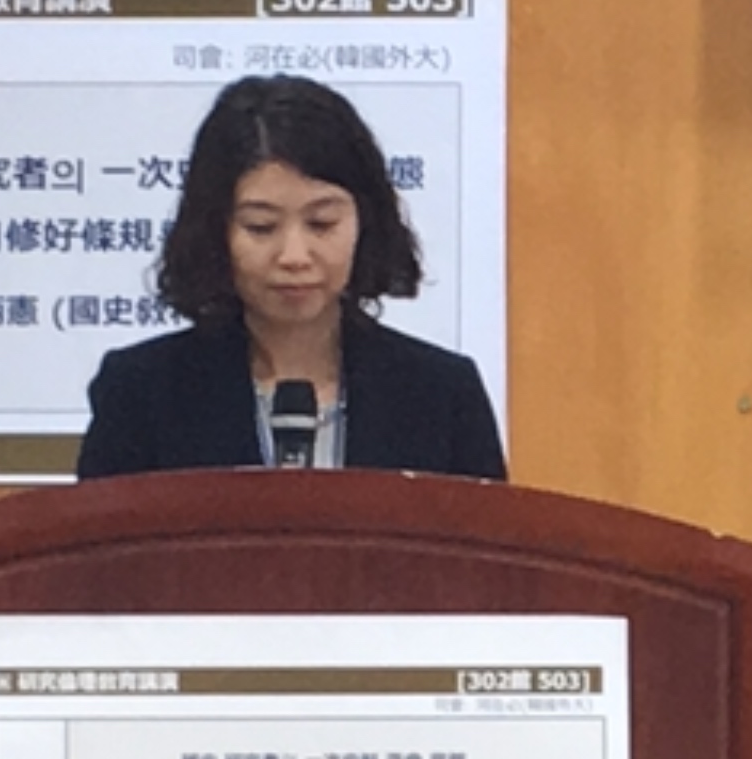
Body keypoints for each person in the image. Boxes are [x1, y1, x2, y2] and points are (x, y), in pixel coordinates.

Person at [76, 74, 506, 479]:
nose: (294, 257)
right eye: (261, 227)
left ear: (365, 222)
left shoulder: (442, 393)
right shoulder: (140, 391)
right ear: (215, 230)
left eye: (322, 223)